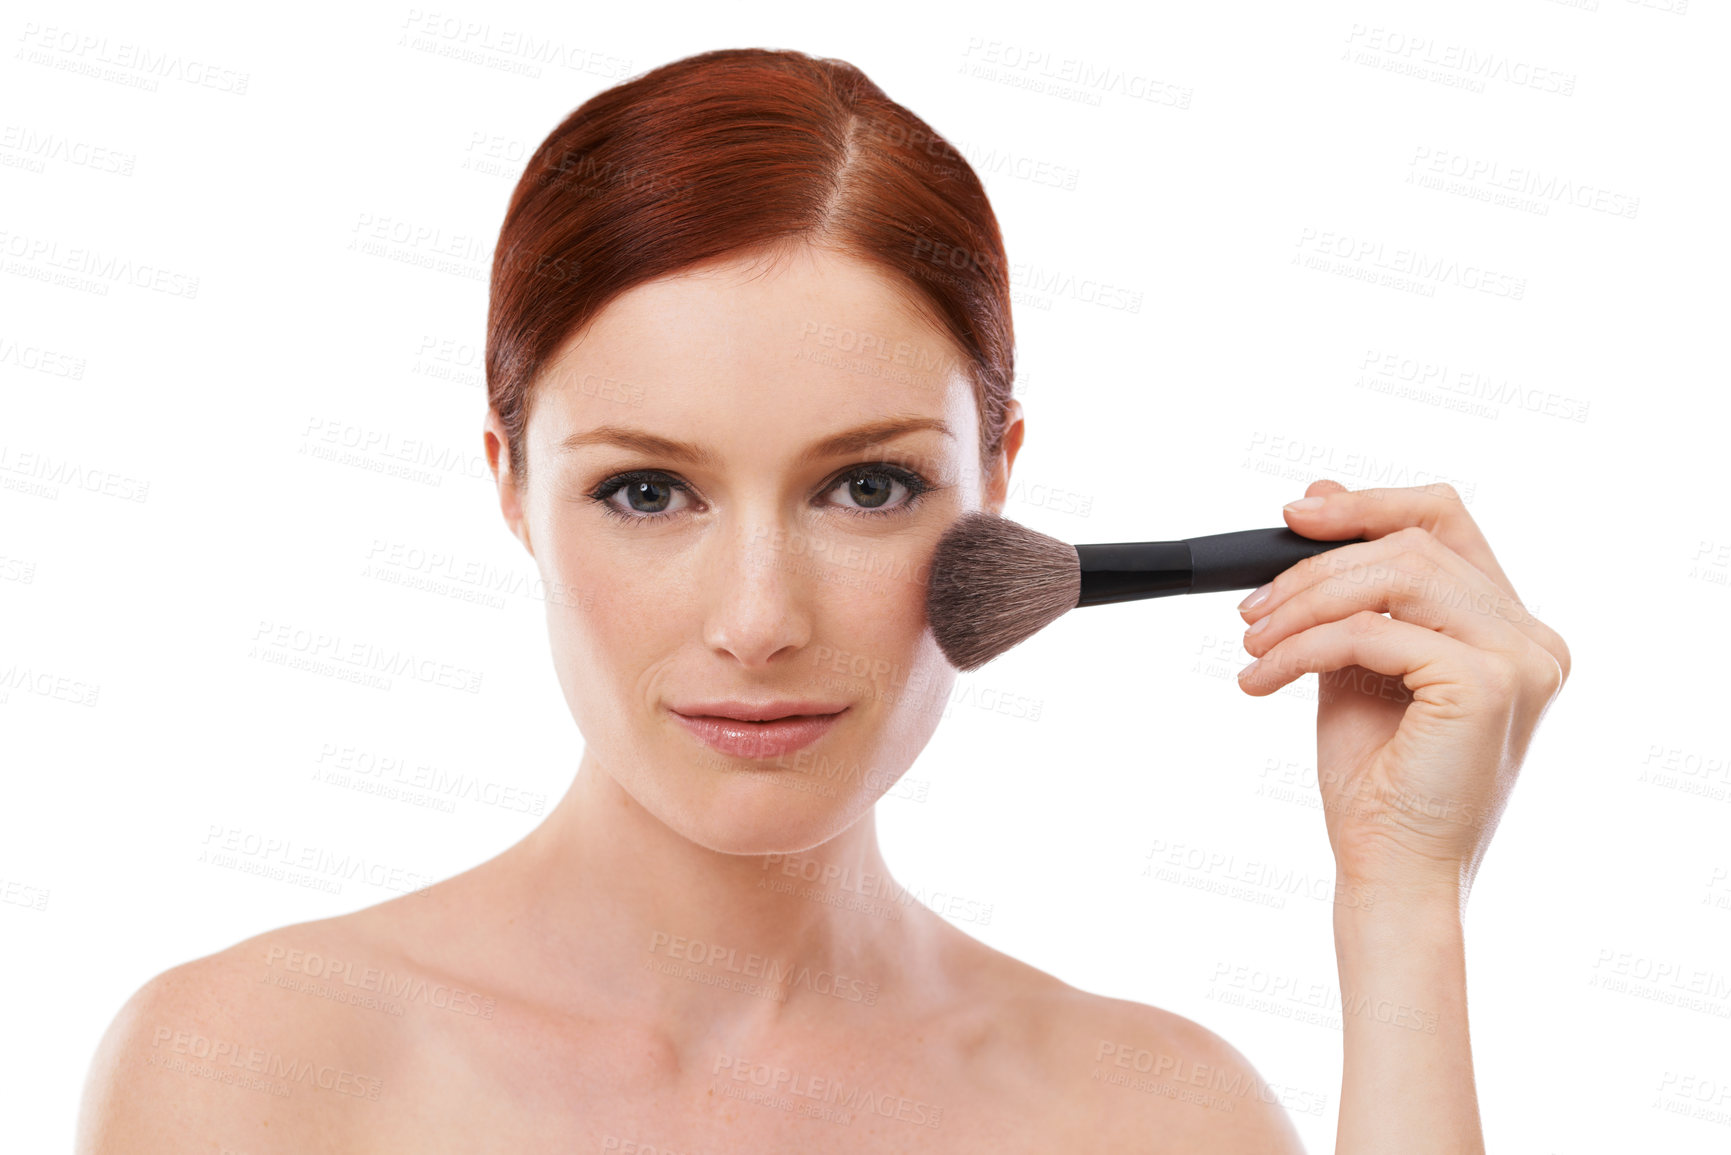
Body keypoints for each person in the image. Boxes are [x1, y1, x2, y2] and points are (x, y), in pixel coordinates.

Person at [76, 48, 1569, 1153]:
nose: (757, 619)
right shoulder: (254, 1076)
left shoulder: (1150, 1114)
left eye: (864, 488)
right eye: (647, 491)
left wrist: (1402, 905)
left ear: (998, 479)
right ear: (509, 485)